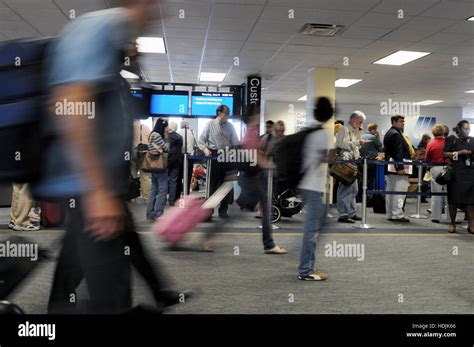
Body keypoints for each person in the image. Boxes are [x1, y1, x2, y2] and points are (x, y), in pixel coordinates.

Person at [37, 0, 187, 314]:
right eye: (155, 5)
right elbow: (70, 104)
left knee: (81, 256)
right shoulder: (98, 28)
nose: (159, 13)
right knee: (112, 299)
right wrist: (96, 191)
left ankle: (58, 308)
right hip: (88, 184)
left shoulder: (109, 36)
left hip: (97, 184)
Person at [297, 97, 334, 281]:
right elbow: (325, 157)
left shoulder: (309, 130)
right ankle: (305, 270)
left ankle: (308, 265)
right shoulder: (324, 133)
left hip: (306, 183)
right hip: (314, 186)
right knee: (312, 229)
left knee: (315, 227)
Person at [240, 111, 287, 254]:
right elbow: (253, 152)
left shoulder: (252, 132)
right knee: (260, 207)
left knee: (246, 207)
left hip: (253, 177)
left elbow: (257, 152)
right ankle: (269, 244)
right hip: (251, 177)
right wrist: (268, 164)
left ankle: (269, 244)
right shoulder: (251, 132)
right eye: (256, 115)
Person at [198, 105, 239, 219]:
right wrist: (205, 150)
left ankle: (223, 210)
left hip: (226, 156)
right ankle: (209, 212)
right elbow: (201, 140)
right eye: (226, 113)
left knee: (225, 185)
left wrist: (233, 154)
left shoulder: (230, 126)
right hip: (214, 155)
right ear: (219, 113)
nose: (227, 116)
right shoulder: (210, 124)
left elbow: (235, 143)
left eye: (228, 113)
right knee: (212, 184)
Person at [335, 111, 367, 223]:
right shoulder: (344, 129)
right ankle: (343, 214)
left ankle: (351, 213)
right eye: (360, 122)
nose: (361, 124)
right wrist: (358, 142)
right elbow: (340, 144)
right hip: (345, 163)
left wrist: (358, 134)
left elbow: (355, 145)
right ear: (353, 120)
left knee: (354, 189)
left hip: (352, 163)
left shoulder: (354, 131)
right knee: (345, 189)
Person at [442, 120, 474, 234]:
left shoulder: (472, 140)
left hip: (470, 173)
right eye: (465, 128)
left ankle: (471, 225)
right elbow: (444, 154)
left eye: (469, 129)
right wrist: (459, 152)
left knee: (471, 201)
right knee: (453, 200)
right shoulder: (451, 139)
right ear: (459, 129)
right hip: (456, 173)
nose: (468, 130)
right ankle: (452, 223)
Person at [383, 115, 412, 223]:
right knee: (400, 192)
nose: (403, 123)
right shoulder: (396, 134)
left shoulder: (389, 133)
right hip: (398, 168)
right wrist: (400, 167)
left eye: (403, 121)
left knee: (391, 191)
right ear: (394, 122)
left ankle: (391, 213)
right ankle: (397, 214)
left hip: (391, 167)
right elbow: (398, 152)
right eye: (401, 121)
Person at [147, 118, 170, 220]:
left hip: (153, 165)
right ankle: (158, 213)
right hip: (160, 166)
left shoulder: (152, 135)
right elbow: (166, 148)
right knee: (162, 190)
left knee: (154, 189)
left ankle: (150, 212)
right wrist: (167, 137)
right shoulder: (157, 135)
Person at [425, 124, 447, 223]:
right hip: (448, 168)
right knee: (449, 193)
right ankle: (451, 217)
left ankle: (435, 217)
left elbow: (427, 158)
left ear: (433, 133)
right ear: (443, 132)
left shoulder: (430, 143)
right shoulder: (448, 141)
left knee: (436, 193)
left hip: (435, 168)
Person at [131, 120, 151, 202]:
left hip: (132, 153)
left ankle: (132, 197)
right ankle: (146, 197)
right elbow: (150, 140)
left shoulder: (129, 128)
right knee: (145, 177)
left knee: (133, 175)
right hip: (144, 154)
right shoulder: (145, 127)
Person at [176, 120, 196, 198]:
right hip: (190, 157)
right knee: (188, 176)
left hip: (180, 157)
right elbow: (194, 144)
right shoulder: (192, 133)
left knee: (179, 176)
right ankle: (186, 193)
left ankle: (178, 194)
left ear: (181, 125)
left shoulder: (178, 132)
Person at [166, 121, 183, 206]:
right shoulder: (180, 137)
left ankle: (163, 199)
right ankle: (172, 201)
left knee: (164, 181)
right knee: (173, 181)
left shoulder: (166, 136)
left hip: (167, 161)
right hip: (177, 161)